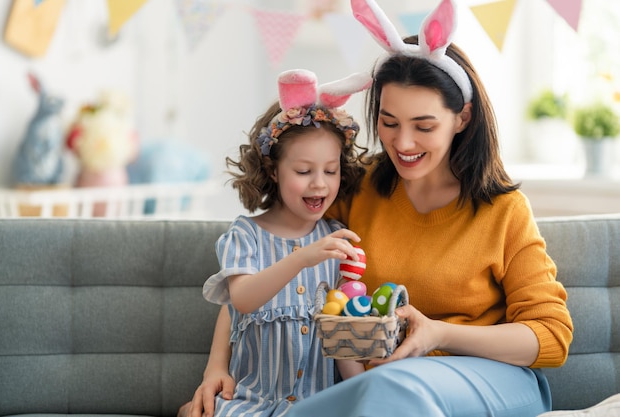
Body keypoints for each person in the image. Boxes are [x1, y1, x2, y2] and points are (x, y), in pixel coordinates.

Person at [180, 0, 574, 416]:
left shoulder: (504, 210)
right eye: (389, 122)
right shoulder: (356, 189)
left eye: (424, 126)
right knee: (378, 393)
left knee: (392, 388)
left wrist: (437, 334)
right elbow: (261, 261)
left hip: (490, 377)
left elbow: (550, 337)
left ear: (463, 118)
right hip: (380, 388)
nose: (403, 144)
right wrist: (216, 368)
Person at [199, 68, 372, 417]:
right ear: (274, 170)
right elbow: (242, 300)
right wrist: (302, 259)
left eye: (331, 170)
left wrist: (364, 394)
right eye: (304, 172)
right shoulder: (245, 235)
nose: (319, 184)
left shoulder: (335, 238)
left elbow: (340, 333)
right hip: (251, 402)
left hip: (317, 405)